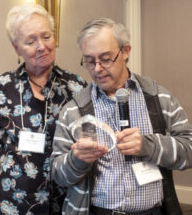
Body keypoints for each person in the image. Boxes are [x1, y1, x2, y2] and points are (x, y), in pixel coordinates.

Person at [51, 18, 192, 215]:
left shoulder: (159, 98)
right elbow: (57, 174)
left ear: (126, 51)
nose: (97, 68)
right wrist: (77, 160)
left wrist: (147, 145)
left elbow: (189, 150)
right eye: (90, 61)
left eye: (106, 58)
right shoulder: (73, 110)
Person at [0, 3, 86, 215]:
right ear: (16, 47)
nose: (41, 46)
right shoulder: (1, 88)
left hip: (60, 201)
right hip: (10, 203)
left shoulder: (75, 87)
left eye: (46, 37)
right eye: (31, 40)